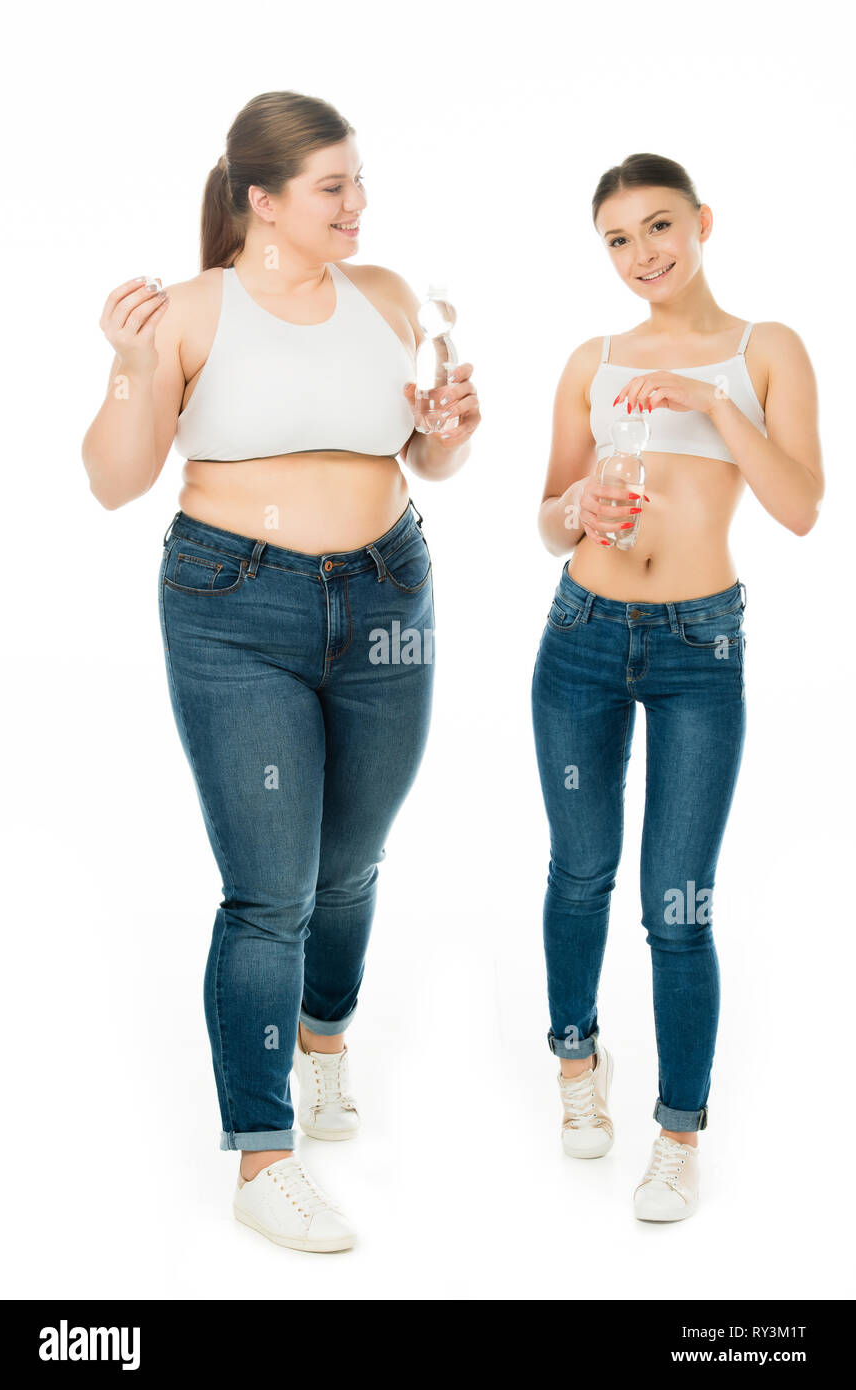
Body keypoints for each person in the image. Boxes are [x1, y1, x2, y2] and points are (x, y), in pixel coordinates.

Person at [82, 90, 480, 1253]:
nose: (359, 205)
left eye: (359, 182)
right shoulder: (186, 312)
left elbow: (429, 455)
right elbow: (114, 480)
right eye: (333, 188)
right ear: (262, 199)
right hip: (233, 609)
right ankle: (263, 1157)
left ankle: (324, 1043)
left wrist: (452, 427)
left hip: (388, 592)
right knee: (271, 892)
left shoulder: (390, 298)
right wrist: (127, 367)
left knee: (349, 864)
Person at [531, 152, 822, 1221]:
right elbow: (545, 514)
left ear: (703, 222)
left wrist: (713, 402)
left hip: (702, 649)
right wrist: (580, 516)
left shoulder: (766, 350)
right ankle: (576, 1066)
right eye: (617, 240)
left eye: (659, 228)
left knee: (678, 905)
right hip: (582, 635)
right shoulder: (591, 359)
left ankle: (678, 1133)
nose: (641, 255)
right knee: (580, 872)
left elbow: (800, 505)